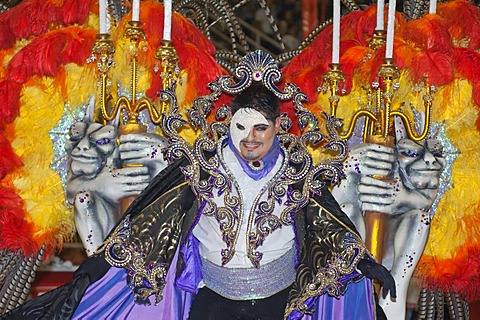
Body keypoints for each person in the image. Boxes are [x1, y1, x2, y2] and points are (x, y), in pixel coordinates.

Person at [2, 52, 395, 320]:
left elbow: (328, 225)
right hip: (215, 300)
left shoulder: (299, 170)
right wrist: (100, 264)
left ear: (278, 126)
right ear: (229, 124)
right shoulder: (200, 165)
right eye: (241, 126)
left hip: (279, 299)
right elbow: (149, 220)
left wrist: (365, 263)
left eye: (261, 127)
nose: (250, 137)